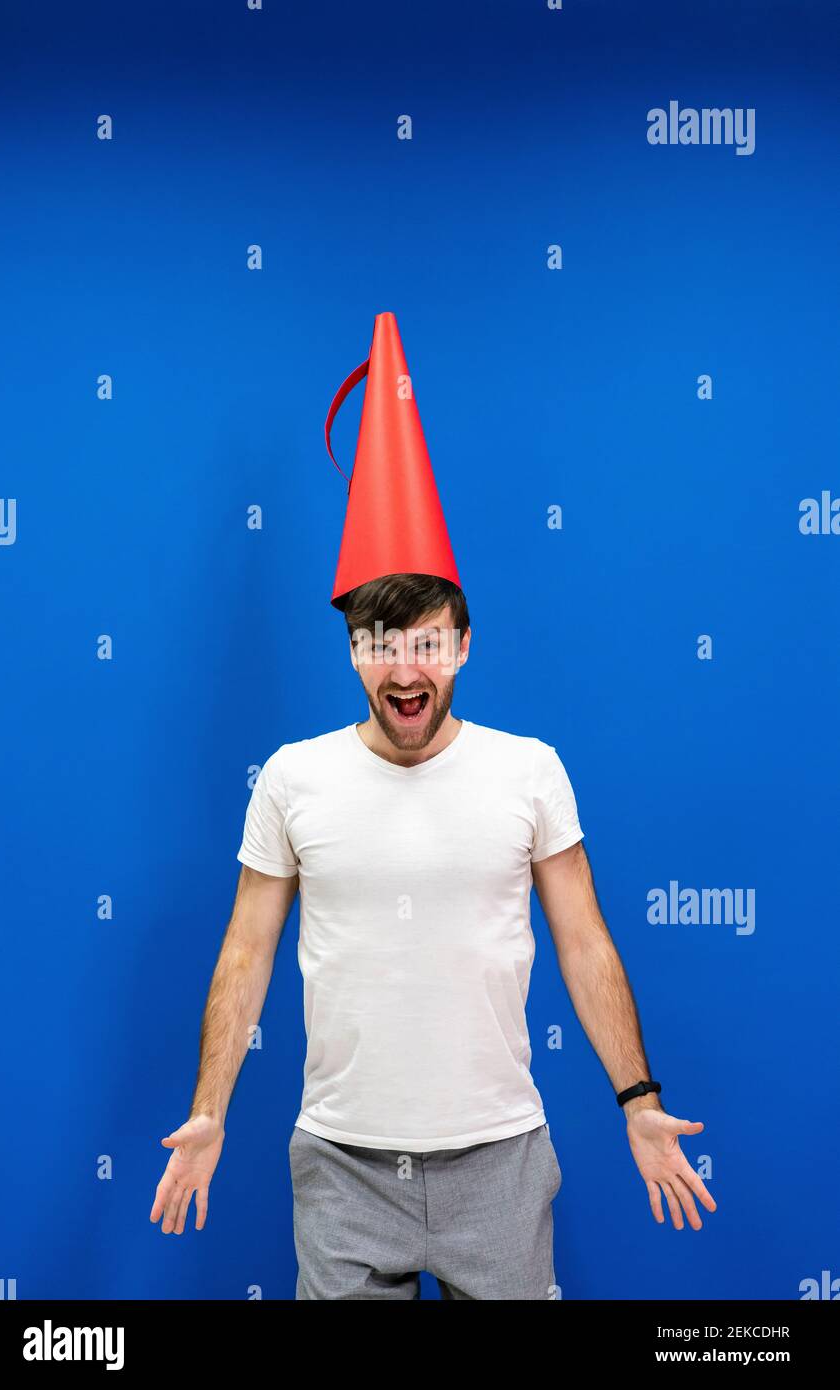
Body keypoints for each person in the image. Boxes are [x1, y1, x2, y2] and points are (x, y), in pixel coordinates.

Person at [149, 315, 716, 1299]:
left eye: (426, 640)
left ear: (462, 646)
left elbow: (583, 938)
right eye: (380, 640)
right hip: (342, 1163)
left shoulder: (530, 770)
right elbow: (246, 948)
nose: (404, 665)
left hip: (499, 1157)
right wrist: (210, 1109)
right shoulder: (293, 778)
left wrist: (637, 1097)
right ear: (355, 651)